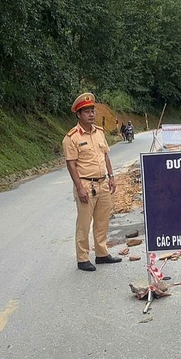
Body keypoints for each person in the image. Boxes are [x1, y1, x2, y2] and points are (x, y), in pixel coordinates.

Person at [63, 92, 120, 271]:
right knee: (84, 223)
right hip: (86, 184)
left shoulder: (99, 133)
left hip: (102, 182)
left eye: (92, 110)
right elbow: (71, 165)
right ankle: (82, 258)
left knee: (102, 220)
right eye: (86, 111)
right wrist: (80, 188)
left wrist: (111, 177)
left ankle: (102, 254)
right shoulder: (72, 138)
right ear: (78, 115)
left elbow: (105, 156)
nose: (91, 114)